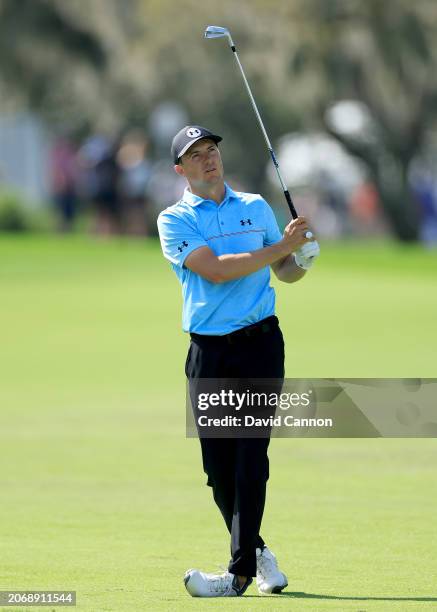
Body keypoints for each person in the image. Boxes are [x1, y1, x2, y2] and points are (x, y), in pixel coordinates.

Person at [157, 125, 320, 598]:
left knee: (251, 456)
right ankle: (258, 551)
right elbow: (218, 270)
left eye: (211, 150)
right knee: (218, 470)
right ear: (180, 169)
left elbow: (283, 272)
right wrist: (282, 249)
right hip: (208, 350)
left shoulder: (254, 207)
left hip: (259, 344)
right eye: (196, 155)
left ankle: (239, 574)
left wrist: (303, 256)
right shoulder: (174, 219)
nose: (208, 159)